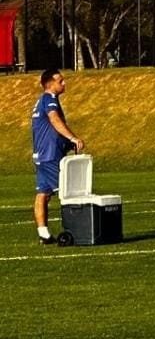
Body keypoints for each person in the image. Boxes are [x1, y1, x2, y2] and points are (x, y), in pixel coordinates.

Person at [31, 70, 84, 245]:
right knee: (66, 191)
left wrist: (67, 144)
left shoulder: (42, 101)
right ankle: (75, 231)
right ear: (50, 84)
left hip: (42, 154)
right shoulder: (49, 99)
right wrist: (72, 138)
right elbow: (54, 120)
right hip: (50, 155)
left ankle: (43, 234)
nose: (64, 84)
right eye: (60, 81)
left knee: (43, 193)